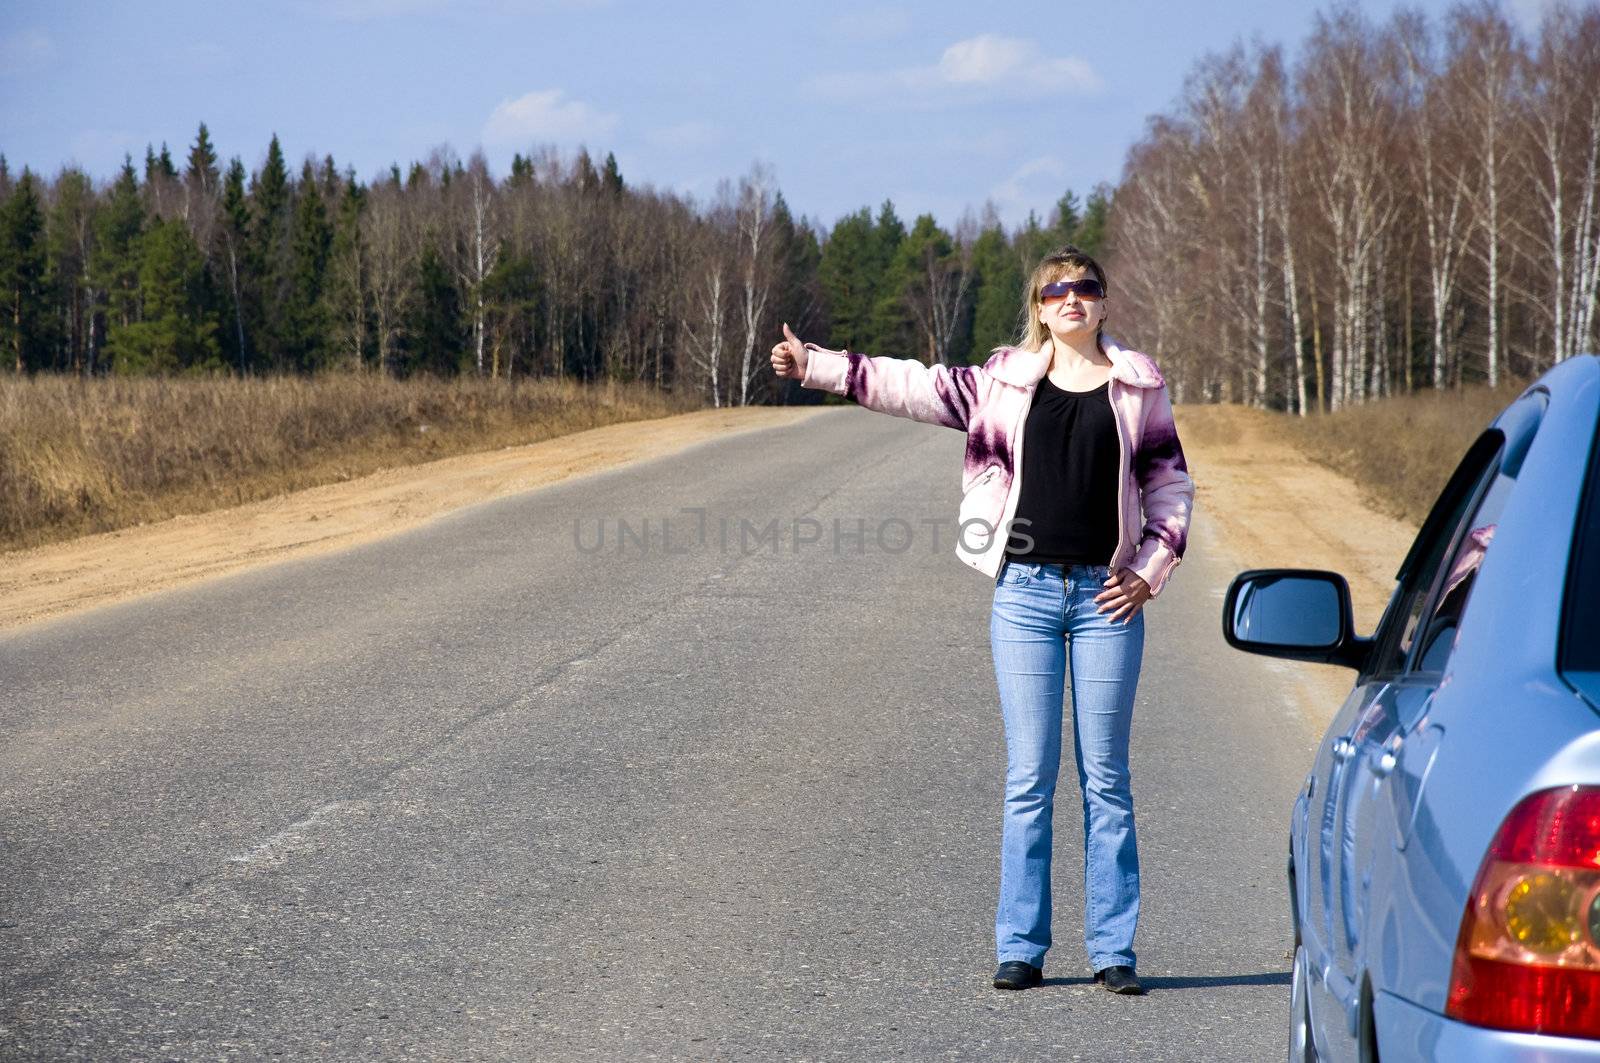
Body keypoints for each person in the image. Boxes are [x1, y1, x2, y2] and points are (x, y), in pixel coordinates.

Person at [770, 245, 1193, 994]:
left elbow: (1170, 488)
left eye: (1085, 288)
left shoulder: (1139, 388)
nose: (1072, 300)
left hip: (1107, 598)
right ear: (1038, 307)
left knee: (1107, 778)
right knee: (1030, 776)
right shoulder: (1001, 382)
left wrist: (1149, 572)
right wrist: (820, 366)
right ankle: (1021, 946)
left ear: (1102, 303)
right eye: (1056, 290)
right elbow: (913, 384)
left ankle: (1113, 950)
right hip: (1025, 595)